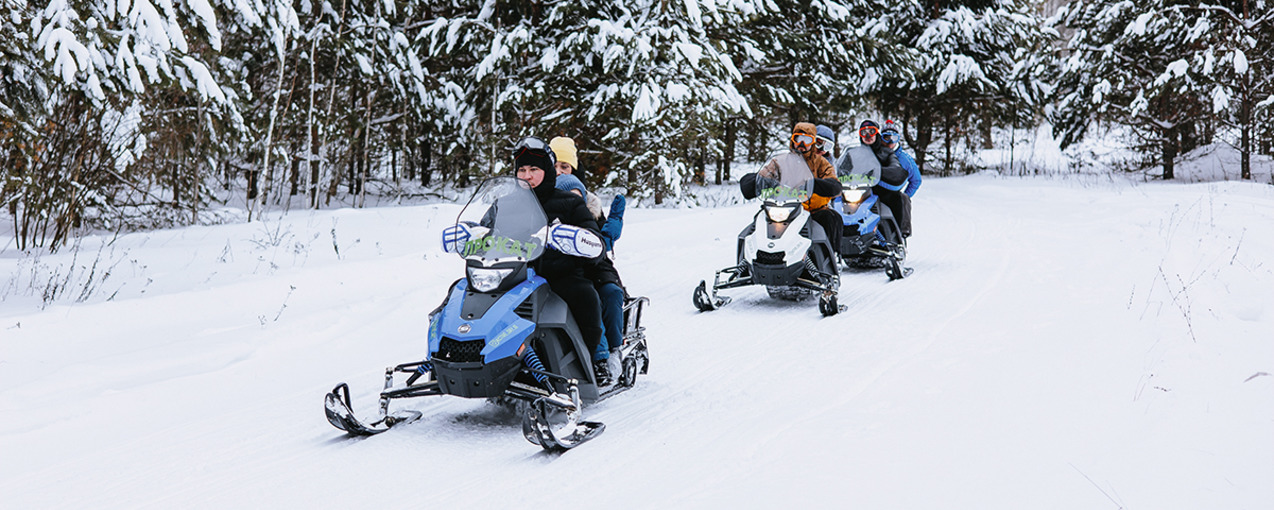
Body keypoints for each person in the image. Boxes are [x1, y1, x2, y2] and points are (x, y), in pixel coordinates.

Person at [444, 136, 609, 382]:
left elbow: (596, 243)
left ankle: (595, 361)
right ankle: (450, 356)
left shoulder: (569, 203)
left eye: (534, 169)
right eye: (521, 169)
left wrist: (575, 239)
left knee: (585, 296)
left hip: (558, 277)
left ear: (547, 171)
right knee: (459, 294)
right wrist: (469, 235)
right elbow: (485, 229)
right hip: (511, 275)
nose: (527, 175)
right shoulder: (505, 204)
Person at [554, 172, 628, 386]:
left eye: (578, 196)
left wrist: (609, 234)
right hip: (571, 272)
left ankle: (614, 350)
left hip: (597, 268)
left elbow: (599, 245)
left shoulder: (591, 213)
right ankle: (597, 354)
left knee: (611, 293)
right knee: (586, 296)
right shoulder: (552, 217)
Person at [741, 122, 843, 256]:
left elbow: (834, 183)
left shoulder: (821, 162)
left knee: (831, 218)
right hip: (784, 208)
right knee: (757, 223)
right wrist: (754, 181)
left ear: (812, 142)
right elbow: (766, 173)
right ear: (792, 140)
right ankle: (746, 262)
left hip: (813, 211)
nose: (801, 144)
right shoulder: (780, 161)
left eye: (807, 140)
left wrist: (818, 184)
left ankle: (829, 259)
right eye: (798, 139)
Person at [857, 120, 909, 240]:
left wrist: (878, 171)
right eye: (864, 132)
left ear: (877, 134)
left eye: (872, 131)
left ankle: (897, 238)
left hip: (881, 191)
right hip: (858, 192)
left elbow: (896, 168)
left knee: (896, 198)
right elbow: (843, 168)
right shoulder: (854, 154)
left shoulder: (886, 153)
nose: (868, 135)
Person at [880, 120, 919, 237]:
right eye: (886, 138)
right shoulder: (876, 154)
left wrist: (906, 194)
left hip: (894, 191)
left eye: (894, 138)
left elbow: (916, 180)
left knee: (903, 199)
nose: (890, 142)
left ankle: (902, 232)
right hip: (876, 190)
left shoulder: (905, 159)